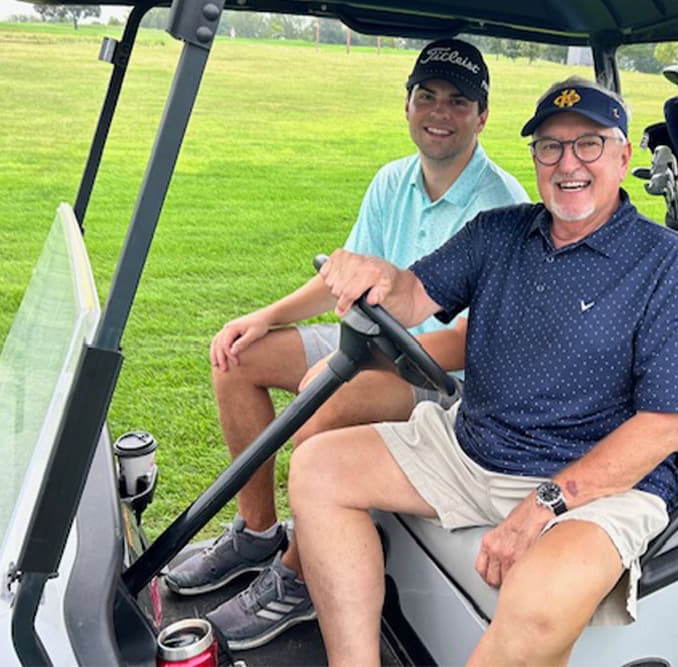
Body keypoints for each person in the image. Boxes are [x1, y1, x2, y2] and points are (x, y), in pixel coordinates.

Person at [289, 76, 678, 665]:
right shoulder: (501, 232)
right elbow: (413, 295)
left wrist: (542, 505)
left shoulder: (667, 265)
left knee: (541, 599)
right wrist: (382, 277)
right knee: (318, 467)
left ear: (623, 155)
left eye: (588, 143)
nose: (568, 163)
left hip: (595, 483)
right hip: (473, 446)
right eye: (550, 146)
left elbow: (663, 429)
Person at [163, 38, 529, 648]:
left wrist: (359, 362)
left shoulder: (501, 205)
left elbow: (477, 339)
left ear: (482, 116)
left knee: (321, 397)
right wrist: (263, 316)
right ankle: (256, 532)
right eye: (426, 96)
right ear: (407, 105)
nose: (439, 112)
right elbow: (344, 271)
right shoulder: (394, 181)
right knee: (236, 359)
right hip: (372, 342)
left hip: (438, 380)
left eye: (458, 101)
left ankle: (297, 580)